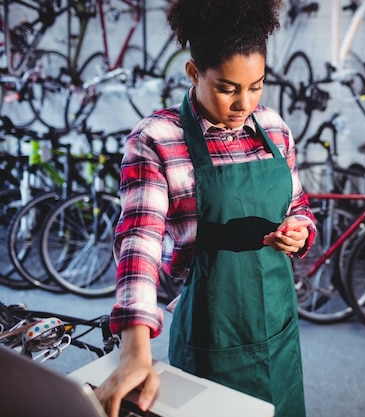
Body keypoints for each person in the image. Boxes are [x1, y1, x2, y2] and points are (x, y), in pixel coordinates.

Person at [94, 1, 316, 416]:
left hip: (278, 330)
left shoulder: (274, 130)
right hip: (212, 336)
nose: (243, 104)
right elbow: (138, 240)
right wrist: (134, 349)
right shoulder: (159, 138)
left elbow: (298, 204)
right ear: (195, 73)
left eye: (256, 86)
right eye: (227, 88)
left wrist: (299, 230)